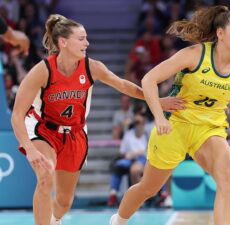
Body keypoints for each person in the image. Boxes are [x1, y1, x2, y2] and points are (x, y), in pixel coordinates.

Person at [110, 6, 230, 225]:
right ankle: (118, 220)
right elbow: (149, 79)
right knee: (148, 187)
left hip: (210, 129)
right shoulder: (195, 54)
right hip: (176, 124)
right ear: (220, 33)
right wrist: (159, 116)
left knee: (226, 182)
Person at [10, 14, 184, 225]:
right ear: (63, 42)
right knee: (45, 177)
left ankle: (54, 220)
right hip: (43, 130)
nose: (87, 43)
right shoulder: (42, 71)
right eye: (81, 38)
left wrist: (156, 101)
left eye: (86, 38)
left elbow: (124, 85)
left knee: (64, 202)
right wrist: (29, 148)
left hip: (75, 133)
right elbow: (17, 115)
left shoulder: (92, 67)